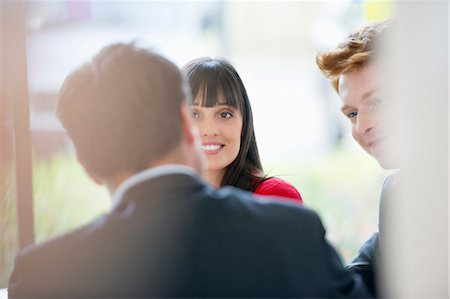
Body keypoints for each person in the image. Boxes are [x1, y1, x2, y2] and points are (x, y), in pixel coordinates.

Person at [8, 43, 370, 298]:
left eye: (224, 113)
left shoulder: (44, 275)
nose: (210, 127)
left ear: (86, 164)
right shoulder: (293, 233)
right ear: (186, 123)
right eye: (197, 113)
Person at [316, 20, 395, 296]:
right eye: (352, 114)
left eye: (378, 101)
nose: (362, 126)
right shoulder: (399, 191)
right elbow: (356, 279)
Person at [184, 58, 302, 204]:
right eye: (194, 115)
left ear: (244, 124)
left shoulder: (274, 199)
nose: (209, 130)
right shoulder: (157, 206)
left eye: (224, 114)